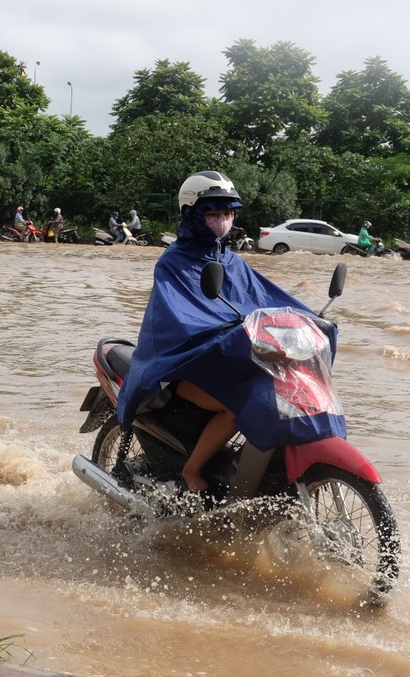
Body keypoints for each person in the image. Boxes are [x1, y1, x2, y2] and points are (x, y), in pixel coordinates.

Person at [117, 170, 343, 493]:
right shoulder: (172, 263)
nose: (222, 219)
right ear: (191, 214)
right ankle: (192, 471)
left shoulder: (232, 262)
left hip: (224, 360)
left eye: (227, 213)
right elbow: (181, 320)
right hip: (181, 366)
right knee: (238, 404)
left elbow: (268, 300)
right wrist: (227, 332)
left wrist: (312, 319)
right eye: (213, 213)